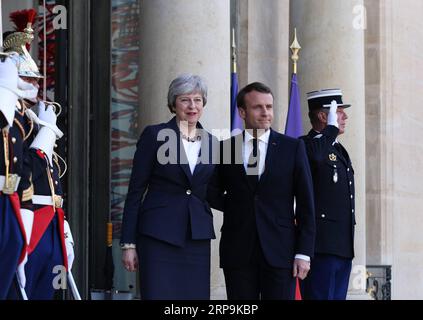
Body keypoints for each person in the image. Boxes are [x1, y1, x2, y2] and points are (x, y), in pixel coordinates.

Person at [208, 82, 315, 300]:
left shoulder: (292, 148)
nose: (265, 112)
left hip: (280, 250)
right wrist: (237, 206)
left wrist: (304, 253)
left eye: (269, 107)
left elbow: (306, 203)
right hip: (238, 250)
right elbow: (211, 191)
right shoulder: (226, 148)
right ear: (242, 112)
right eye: (258, 107)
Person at [121, 74, 217, 300]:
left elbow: (211, 191)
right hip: (158, 238)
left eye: (198, 100)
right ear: (173, 103)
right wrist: (128, 243)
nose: (192, 106)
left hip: (196, 239)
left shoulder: (213, 142)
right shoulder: (155, 135)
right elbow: (136, 190)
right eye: (185, 100)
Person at [299, 88, 355, 300]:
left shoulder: (338, 149)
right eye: (339, 112)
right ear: (324, 116)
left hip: (341, 246)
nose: (345, 117)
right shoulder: (306, 145)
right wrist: (330, 129)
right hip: (320, 247)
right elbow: (316, 157)